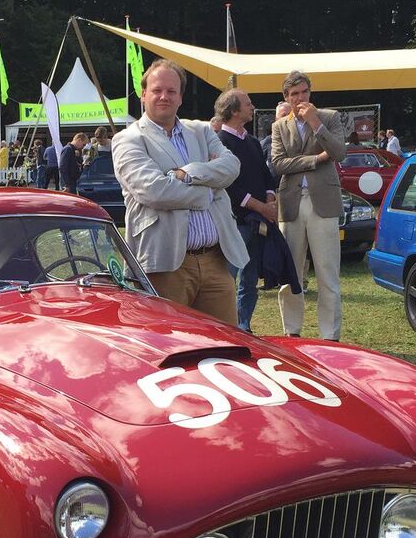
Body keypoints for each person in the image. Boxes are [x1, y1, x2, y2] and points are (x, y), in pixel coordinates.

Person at [112, 59, 246, 324]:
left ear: (181, 97)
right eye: (157, 90)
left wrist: (189, 174)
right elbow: (155, 191)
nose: (164, 96)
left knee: (225, 342)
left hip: (216, 261)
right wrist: (209, 191)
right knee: (169, 342)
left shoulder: (201, 130)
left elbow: (232, 167)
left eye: (171, 91)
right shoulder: (128, 139)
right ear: (143, 94)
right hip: (164, 264)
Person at [269, 69, 346, 340]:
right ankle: (291, 332)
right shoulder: (279, 126)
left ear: (310, 92)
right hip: (291, 203)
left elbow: (339, 153)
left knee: (327, 272)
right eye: (294, 94)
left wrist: (316, 123)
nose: (300, 98)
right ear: (286, 97)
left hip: (323, 202)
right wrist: (315, 159)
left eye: (304, 92)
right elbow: (278, 164)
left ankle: (330, 336)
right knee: (290, 272)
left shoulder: (329, 117)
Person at [216, 89, 279, 332]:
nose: (252, 107)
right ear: (234, 110)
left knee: (250, 279)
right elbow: (228, 186)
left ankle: (244, 327)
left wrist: (270, 200)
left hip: (257, 222)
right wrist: (261, 206)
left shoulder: (252, 142)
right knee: (227, 280)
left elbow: (266, 176)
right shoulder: (220, 142)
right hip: (235, 223)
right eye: (248, 103)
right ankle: (226, 328)